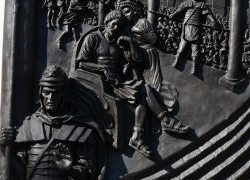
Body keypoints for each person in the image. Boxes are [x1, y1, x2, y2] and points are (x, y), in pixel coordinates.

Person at [77, 12, 189, 159]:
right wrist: (102, 69)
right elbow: (82, 63)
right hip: (99, 82)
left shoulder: (118, 42)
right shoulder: (93, 38)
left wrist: (130, 42)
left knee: (144, 91)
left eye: (119, 26)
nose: (116, 28)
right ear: (106, 23)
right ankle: (163, 121)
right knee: (143, 92)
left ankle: (142, 133)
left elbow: (137, 60)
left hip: (118, 82)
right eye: (114, 24)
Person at [169, 0, 222, 75]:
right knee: (193, 47)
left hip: (190, 27)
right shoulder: (201, 5)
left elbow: (178, 11)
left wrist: (172, 15)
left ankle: (179, 62)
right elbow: (209, 15)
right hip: (192, 27)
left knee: (185, 45)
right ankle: (191, 66)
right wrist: (213, 22)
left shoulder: (193, 4)